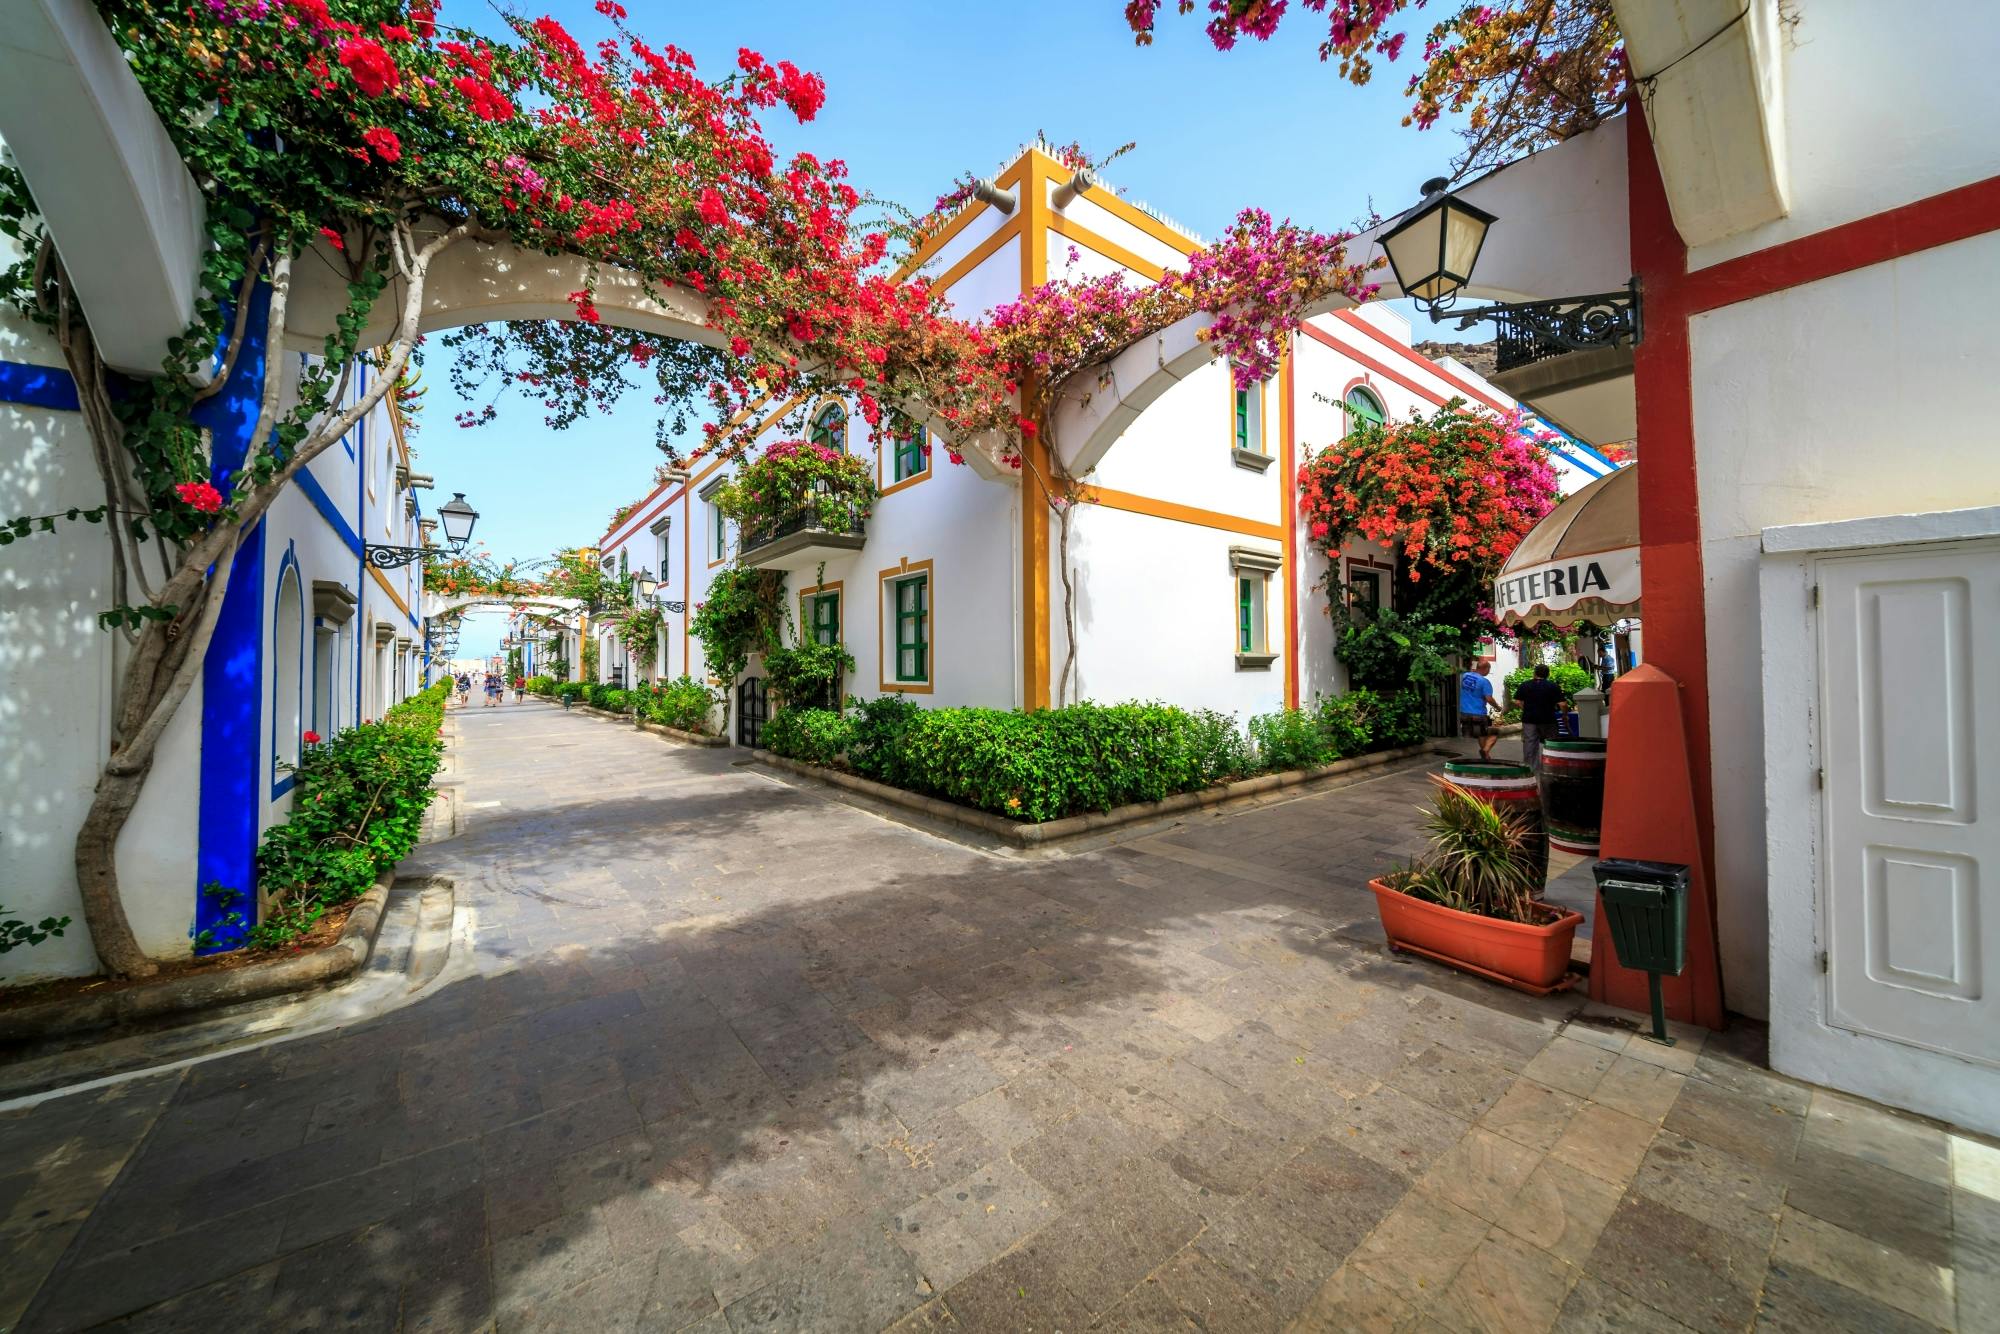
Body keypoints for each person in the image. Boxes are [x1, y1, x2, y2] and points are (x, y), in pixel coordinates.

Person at [1515, 663, 1568, 770]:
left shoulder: (1525, 685)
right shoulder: (1553, 686)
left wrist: (1525, 709)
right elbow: (1563, 704)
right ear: (1548, 674)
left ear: (1534, 673)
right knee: (1551, 743)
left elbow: (1517, 701)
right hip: (1548, 719)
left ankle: (1530, 768)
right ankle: (1551, 766)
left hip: (1529, 719)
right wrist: (1564, 715)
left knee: (1530, 743)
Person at [1458, 659, 1499, 761]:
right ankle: (1485, 750)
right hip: (1478, 714)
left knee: (1481, 734)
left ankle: (1485, 755)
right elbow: (1489, 698)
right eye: (1489, 669)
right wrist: (1497, 707)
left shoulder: (1465, 676)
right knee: (1494, 733)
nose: (1489, 672)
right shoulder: (1484, 682)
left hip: (1464, 712)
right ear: (1485, 668)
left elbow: (1472, 668)